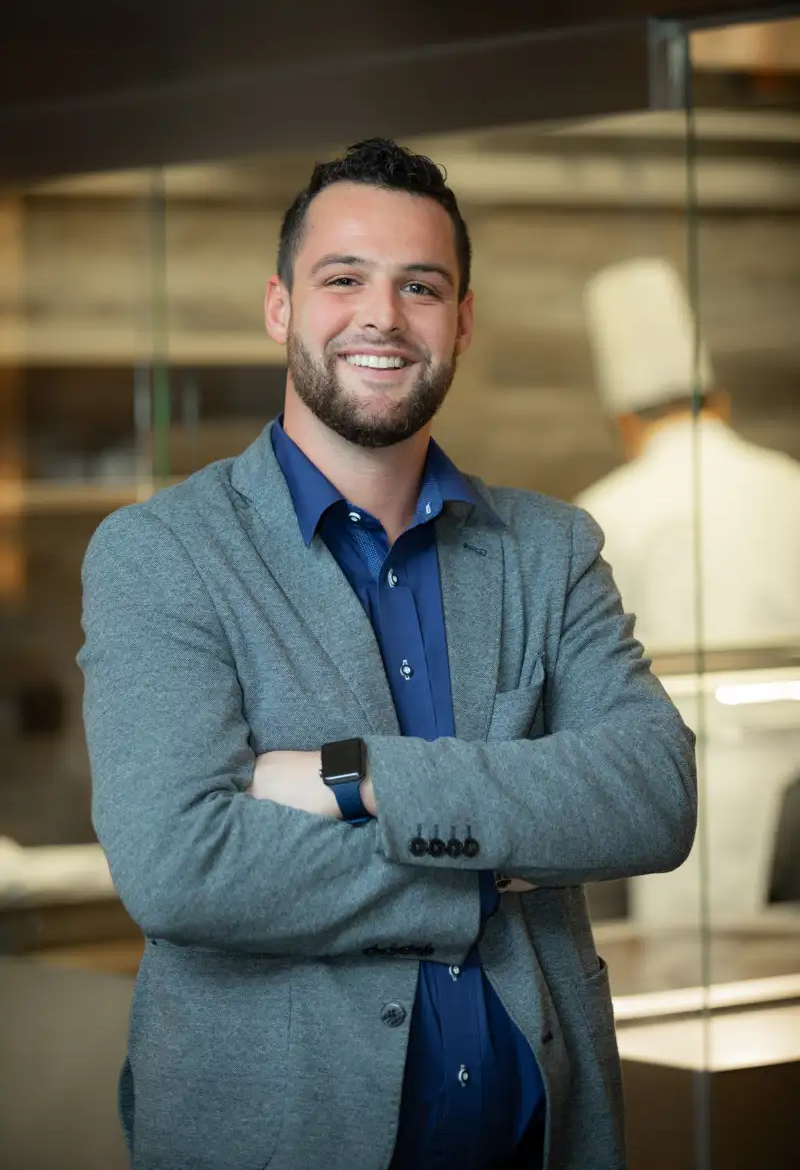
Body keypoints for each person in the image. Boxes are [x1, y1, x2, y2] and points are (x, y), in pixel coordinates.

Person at [78, 140, 696, 1170]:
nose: (382, 316)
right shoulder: (161, 555)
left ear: (460, 321)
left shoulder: (549, 549)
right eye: (343, 279)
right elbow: (182, 865)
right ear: (279, 308)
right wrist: (479, 877)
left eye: (420, 286)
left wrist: (358, 776)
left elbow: (651, 795)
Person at [576, 256, 800, 923]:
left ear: (622, 421)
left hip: (679, 779)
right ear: (719, 401)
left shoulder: (604, 510)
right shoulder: (788, 481)